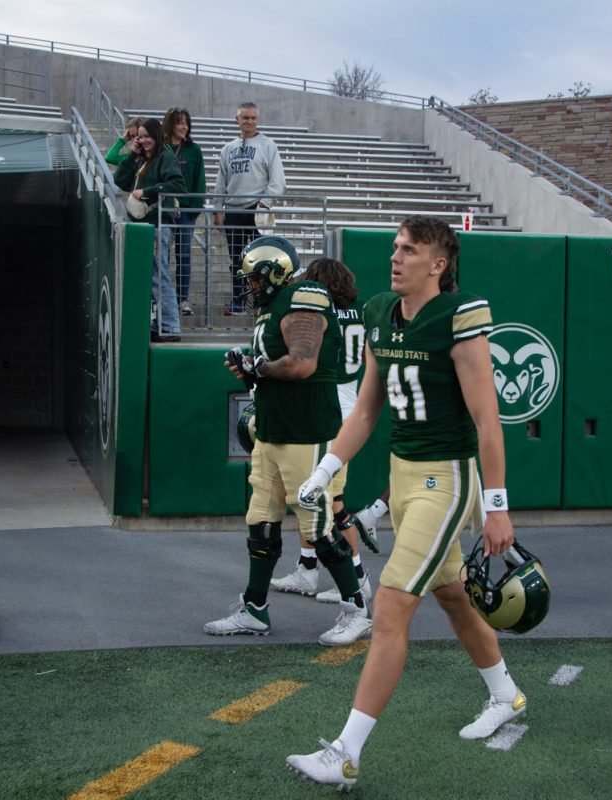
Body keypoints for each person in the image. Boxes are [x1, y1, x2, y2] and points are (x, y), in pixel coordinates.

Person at [286, 216, 527, 791]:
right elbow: (367, 411)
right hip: (405, 475)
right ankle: (505, 695)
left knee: (391, 606)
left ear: (438, 265)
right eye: (395, 247)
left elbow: (487, 418)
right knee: (450, 594)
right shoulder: (378, 314)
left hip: (447, 479)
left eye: (410, 250)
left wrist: (496, 506)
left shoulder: (459, 317)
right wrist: (324, 471)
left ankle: (346, 752)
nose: (395, 257)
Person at [204, 236, 371, 647]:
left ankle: (356, 609)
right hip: (274, 427)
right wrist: (249, 370)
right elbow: (272, 370)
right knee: (260, 518)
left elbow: (301, 364)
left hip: (305, 429)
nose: (253, 286)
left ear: (277, 272)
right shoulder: (271, 309)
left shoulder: (306, 297)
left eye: (257, 279)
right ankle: (255, 608)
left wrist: (258, 365)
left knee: (317, 525)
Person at [270, 258, 377, 605]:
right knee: (311, 497)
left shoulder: (316, 313)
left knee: (333, 505)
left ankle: (358, 579)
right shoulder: (362, 311)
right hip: (349, 407)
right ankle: (307, 568)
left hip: (330, 412)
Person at [113, 118, 186, 342]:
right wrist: (132, 154)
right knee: (152, 275)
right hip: (145, 224)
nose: (142, 140)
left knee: (158, 274)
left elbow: (178, 185)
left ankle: (171, 326)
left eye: (146, 136)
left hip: (157, 223)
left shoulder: (165, 158)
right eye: (139, 136)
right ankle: (161, 323)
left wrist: (148, 191)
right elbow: (120, 180)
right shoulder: (141, 160)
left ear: (156, 136)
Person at [212, 102, 286, 315]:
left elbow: (278, 181)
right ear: (237, 120)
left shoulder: (268, 145)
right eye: (245, 118)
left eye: (253, 118)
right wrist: (218, 209)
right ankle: (238, 302)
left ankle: (261, 303)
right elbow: (220, 182)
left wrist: (263, 205)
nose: (250, 122)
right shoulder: (228, 149)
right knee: (236, 260)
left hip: (256, 209)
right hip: (233, 210)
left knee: (260, 259)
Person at [162, 108, 206, 317]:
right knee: (163, 255)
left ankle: (182, 300)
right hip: (164, 209)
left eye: (186, 123)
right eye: (180, 122)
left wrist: (195, 208)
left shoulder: (193, 149)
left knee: (184, 255)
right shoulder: (160, 148)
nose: (184, 127)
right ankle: (163, 299)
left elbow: (200, 181)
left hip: (186, 211)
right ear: (170, 124)